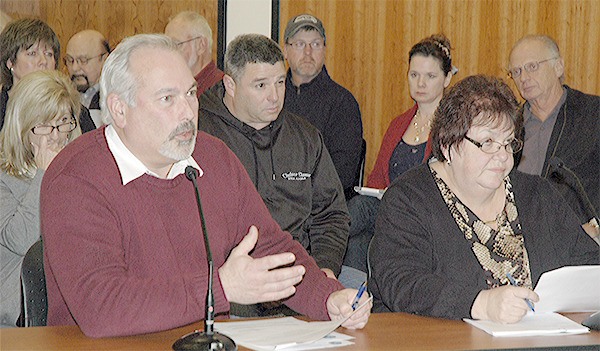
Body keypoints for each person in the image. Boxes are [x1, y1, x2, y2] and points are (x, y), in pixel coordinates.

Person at [40, 34, 370, 338]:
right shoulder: (75, 180)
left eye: (189, 94)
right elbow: (103, 308)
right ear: (119, 109)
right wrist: (220, 287)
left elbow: (269, 248)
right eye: (167, 98)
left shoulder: (212, 158)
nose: (187, 112)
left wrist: (327, 298)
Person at [369, 75, 599, 323]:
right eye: (488, 142)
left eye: (508, 143)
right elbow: (400, 281)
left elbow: (588, 265)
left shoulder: (538, 195)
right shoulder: (408, 199)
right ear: (448, 145)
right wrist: (478, 304)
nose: (503, 157)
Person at [199, 34, 357, 297]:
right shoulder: (200, 135)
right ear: (230, 84)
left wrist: (325, 267)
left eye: (280, 82)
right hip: (231, 284)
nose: (274, 96)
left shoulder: (304, 137)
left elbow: (331, 214)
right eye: (260, 85)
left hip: (299, 279)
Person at [344, 34, 456, 273]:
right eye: (414, 75)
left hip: (423, 216)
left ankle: (312, 238)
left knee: (360, 209)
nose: (421, 84)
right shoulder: (399, 124)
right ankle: (355, 305)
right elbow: (376, 177)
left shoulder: (453, 128)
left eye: (430, 76)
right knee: (356, 244)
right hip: (388, 212)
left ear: (447, 79)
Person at [1, 70, 81, 327]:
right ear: (22, 126)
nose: (57, 136)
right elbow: (22, 240)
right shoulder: (4, 176)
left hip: (70, 303)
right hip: (17, 315)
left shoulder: (80, 172)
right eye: (45, 125)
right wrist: (44, 174)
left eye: (65, 122)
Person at [508, 35, 600, 239]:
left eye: (532, 66)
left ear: (558, 67)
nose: (523, 77)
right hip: (526, 245)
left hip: (584, 245)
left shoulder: (593, 114)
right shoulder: (508, 126)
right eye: (516, 71)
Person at [282, 14, 363, 200]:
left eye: (316, 44)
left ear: (325, 50)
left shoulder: (343, 104)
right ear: (285, 50)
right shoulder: (271, 99)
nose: (308, 53)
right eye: (300, 44)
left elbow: (342, 175)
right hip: (273, 202)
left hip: (320, 208)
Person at [0, 18, 95, 132]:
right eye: (32, 53)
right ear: (10, 62)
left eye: (49, 54)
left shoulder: (75, 111)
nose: (43, 61)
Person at [165, 11, 224, 96]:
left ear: (201, 45)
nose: (169, 53)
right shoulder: (171, 84)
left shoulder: (219, 91)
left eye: (175, 44)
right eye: (167, 45)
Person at [65, 29, 110, 127]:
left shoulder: (114, 95)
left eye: (83, 60)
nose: (75, 68)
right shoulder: (63, 94)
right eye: (70, 60)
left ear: (104, 59)